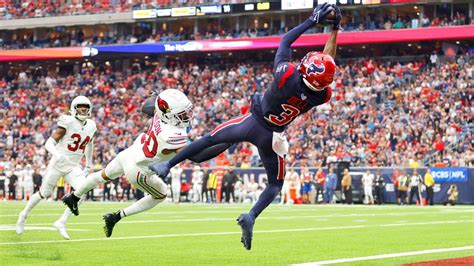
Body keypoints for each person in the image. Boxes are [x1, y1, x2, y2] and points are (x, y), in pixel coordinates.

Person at [149, 3, 341, 250]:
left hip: (252, 123)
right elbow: (328, 62)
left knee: (210, 139)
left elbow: (285, 43)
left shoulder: (287, 75)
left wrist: (311, 22)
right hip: (273, 137)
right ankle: (251, 216)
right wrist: (335, 28)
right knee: (274, 185)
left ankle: (167, 165)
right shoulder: (322, 95)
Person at [62, 89, 218, 237]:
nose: (187, 116)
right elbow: (197, 157)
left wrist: (159, 97)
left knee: (101, 176)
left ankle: (74, 197)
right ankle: (116, 217)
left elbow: (147, 108)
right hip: (139, 169)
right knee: (161, 194)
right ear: (169, 114)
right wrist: (227, 140)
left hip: (130, 152)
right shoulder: (172, 134)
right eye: (182, 114)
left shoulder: (160, 113)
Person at [15, 96, 96, 240]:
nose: (83, 109)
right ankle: (23, 215)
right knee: (44, 193)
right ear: (74, 108)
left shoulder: (91, 125)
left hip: (73, 166)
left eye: (86, 106)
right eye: (80, 106)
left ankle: (61, 222)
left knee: (83, 191)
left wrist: (88, 165)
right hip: (57, 164)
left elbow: (90, 144)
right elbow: (49, 143)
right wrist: (57, 155)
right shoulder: (68, 121)